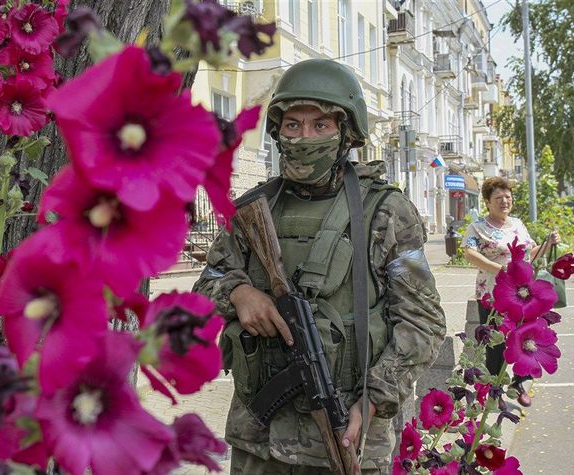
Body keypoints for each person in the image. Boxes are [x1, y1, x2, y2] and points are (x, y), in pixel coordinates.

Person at [192, 59, 446, 474]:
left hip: (347, 431)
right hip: (259, 438)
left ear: (346, 133)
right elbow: (208, 281)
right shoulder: (254, 209)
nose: (303, 137)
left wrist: (374, 398)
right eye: (292, 125)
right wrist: (240, 293)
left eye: (320, 125)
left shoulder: (386, 211)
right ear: (277, 132)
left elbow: (423, 322)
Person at [461, 176, 559, 407]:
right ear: (487, 201)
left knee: (525, 335)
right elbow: (469, 253)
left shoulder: (517, 224)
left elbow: (529, 254)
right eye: (498, 198)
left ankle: (519, 382)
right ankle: (494, 389)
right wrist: (500, 269)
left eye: (508, 197)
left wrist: (548, 243)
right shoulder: (478, 227)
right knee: (495, 341)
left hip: (523, 295)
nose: (504, 201)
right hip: (493, 294)